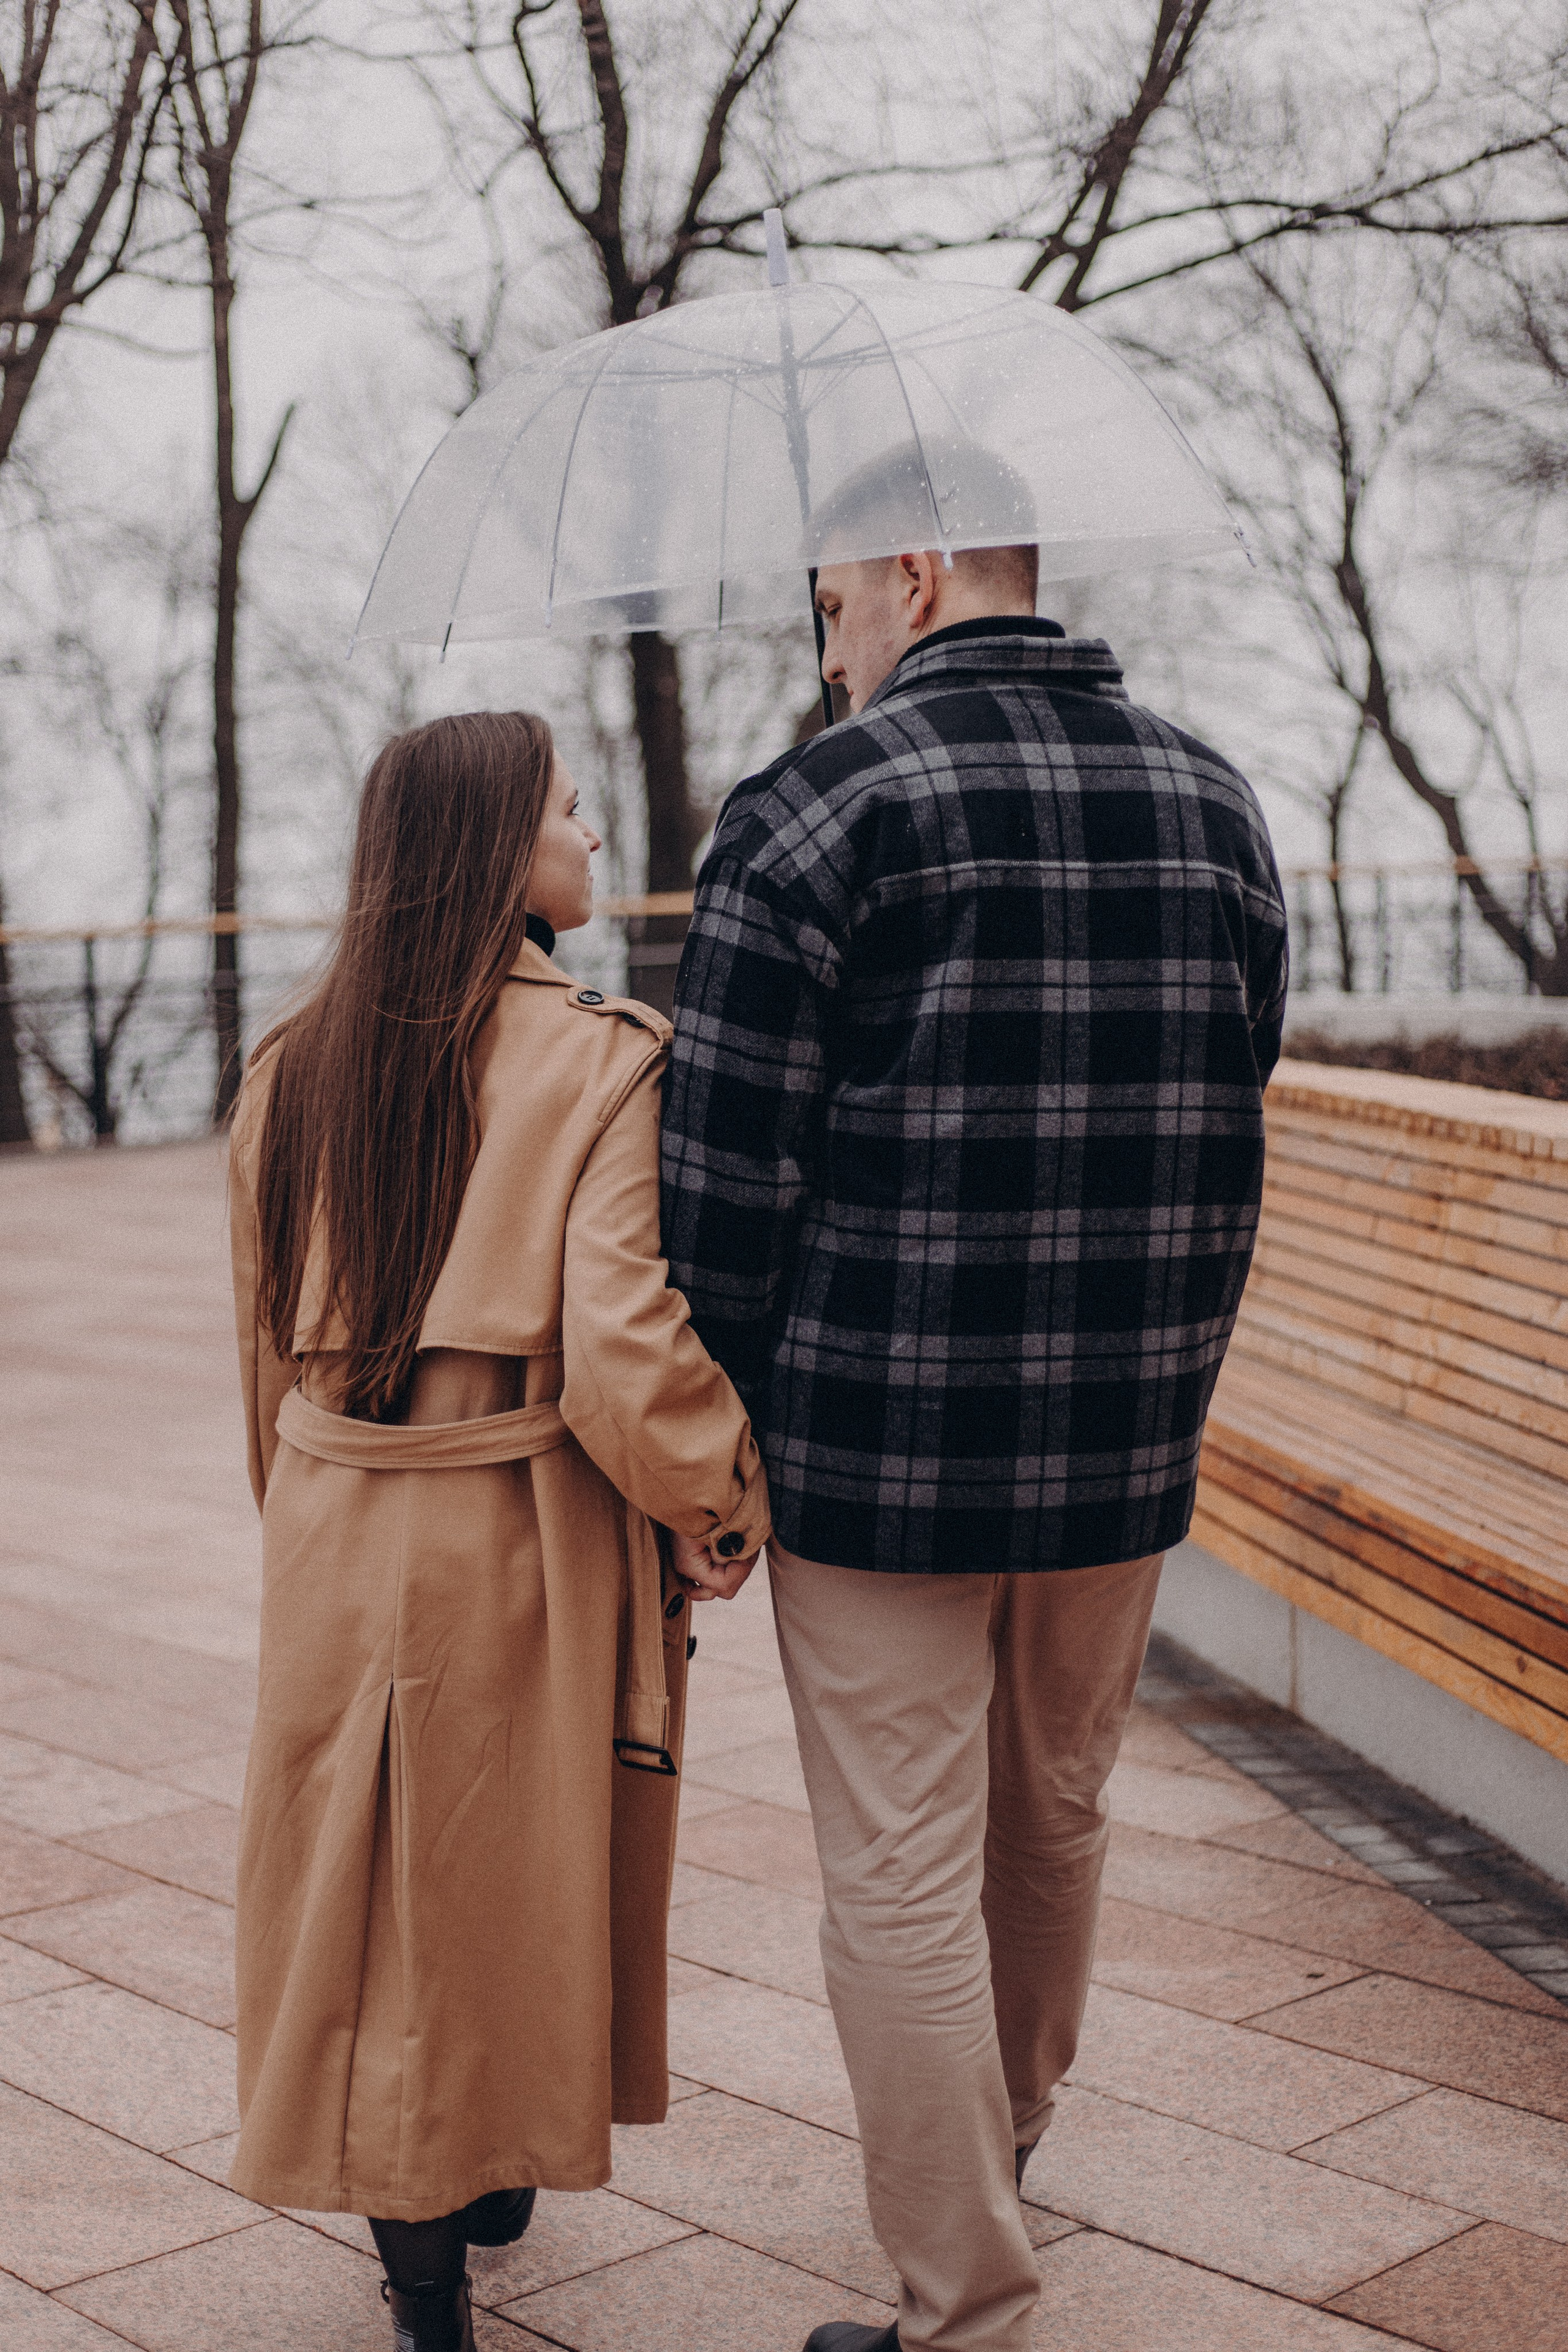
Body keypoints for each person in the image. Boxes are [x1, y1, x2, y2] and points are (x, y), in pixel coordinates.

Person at [661, 478, 1287, 2352]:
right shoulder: (1214, 798)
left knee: (901, 1868)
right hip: (1121, 1438)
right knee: (1058, 1816)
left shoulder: (814, 807)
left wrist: (714, 1448)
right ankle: (998, 2146)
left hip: (878, 1446)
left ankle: (968, 2298)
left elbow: (720, 1187)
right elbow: (1238, 1084)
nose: (830, 636)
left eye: (836, 597)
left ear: (916, 575)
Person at [227, 710, 769, 2352]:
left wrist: (308, 1516)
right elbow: (620, 1343)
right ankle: (468, 2193)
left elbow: (257, 1351)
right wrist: (719, 1496)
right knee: (492, 1878)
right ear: (496, 850)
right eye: (569, 807)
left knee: (370, 1885)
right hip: (509, 1528)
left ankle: (433, 2242)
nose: (593, 832)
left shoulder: (288, 1064)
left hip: (335, 1514)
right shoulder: (603, 1060)